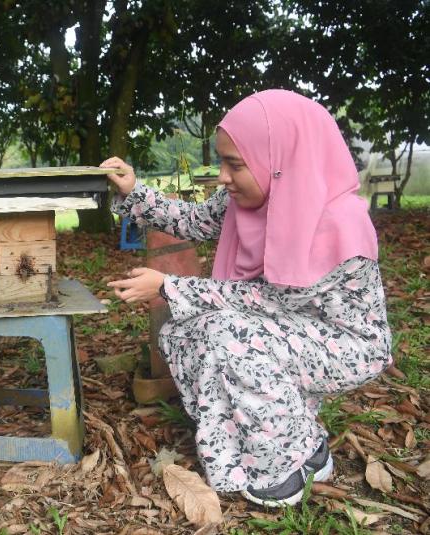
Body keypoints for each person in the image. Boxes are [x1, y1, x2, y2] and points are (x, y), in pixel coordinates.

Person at [101, 89, 391, 507]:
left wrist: (169, 286)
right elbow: (193, 220)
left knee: (227, 334)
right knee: (183, 333)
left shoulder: (337, 223)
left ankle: (291, 461)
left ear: (277, 163)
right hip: (286, 329)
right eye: (222, 162)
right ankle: (261, 443)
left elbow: (267, 300)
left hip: (345, 345)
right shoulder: (246, 199)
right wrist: (134, 190)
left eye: (234, 164)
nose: (222, 176)